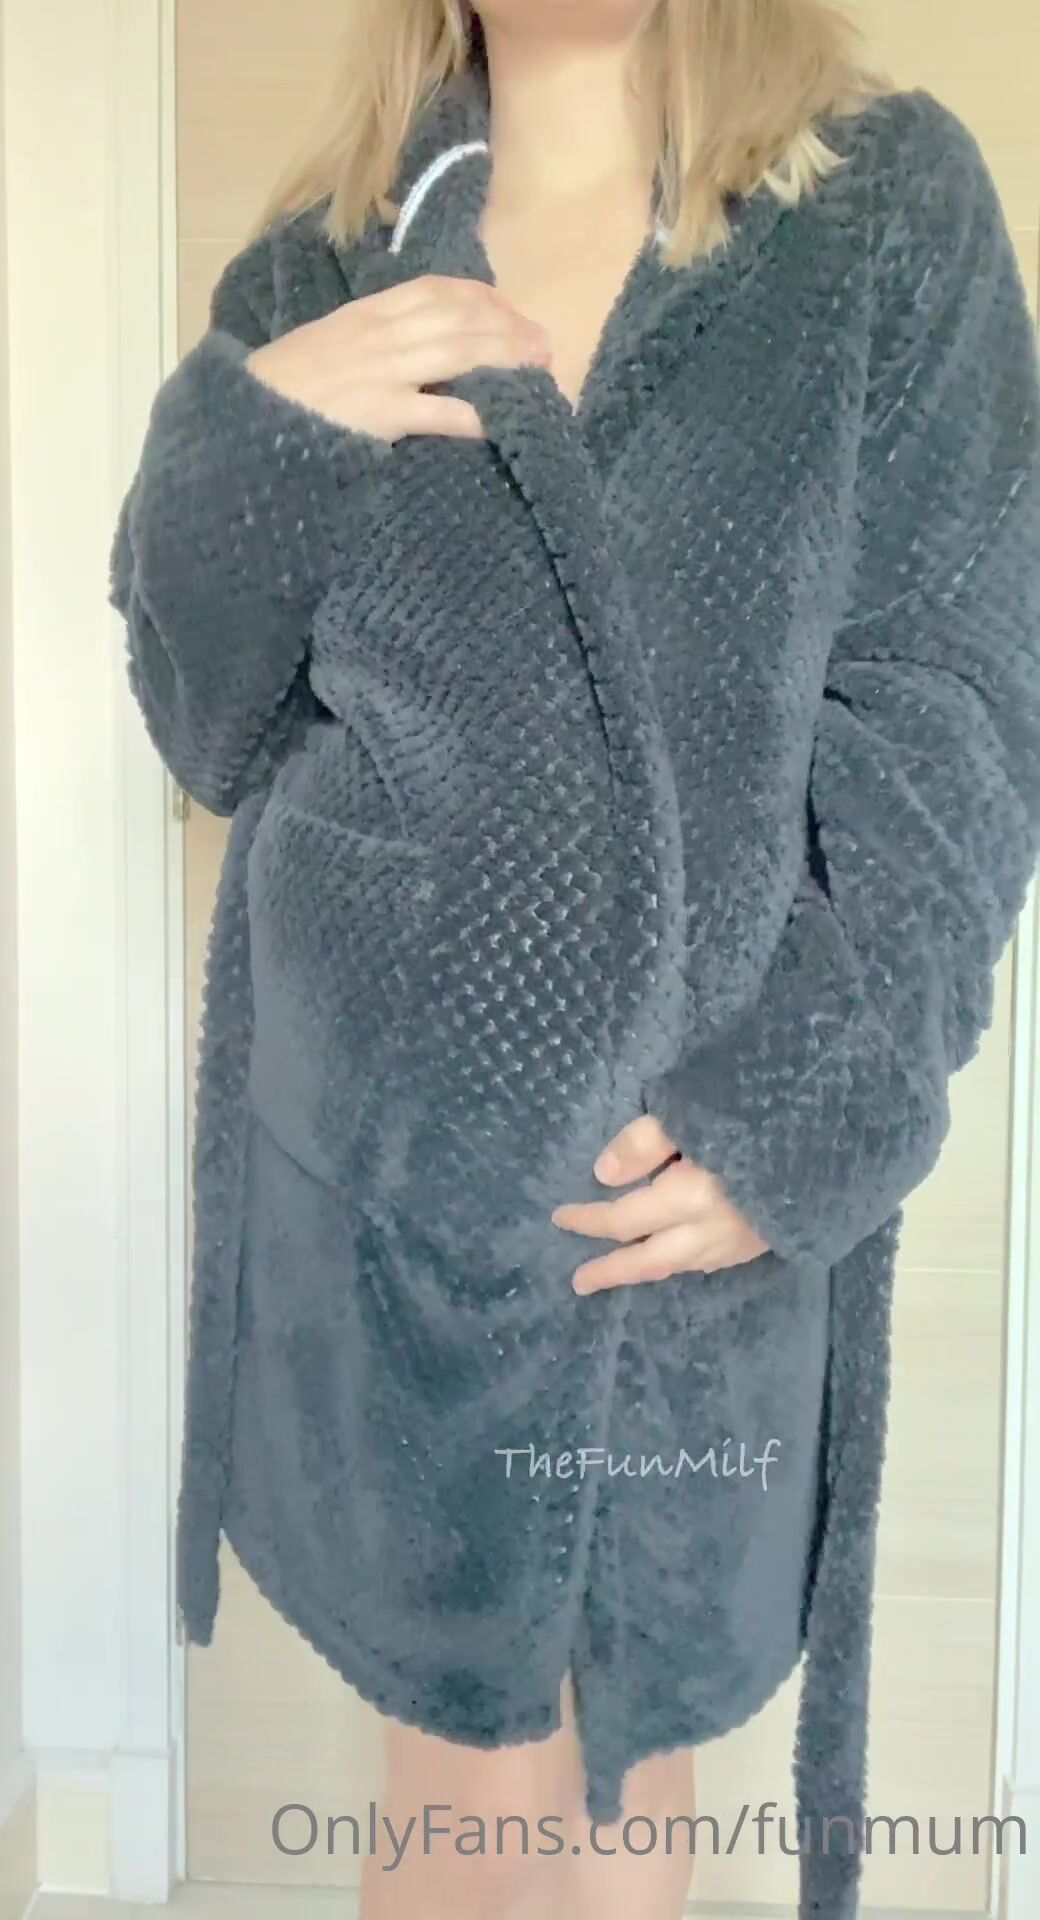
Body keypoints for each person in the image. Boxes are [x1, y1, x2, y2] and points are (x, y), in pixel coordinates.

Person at [108, 3, 1040, 1916]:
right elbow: (209, 725)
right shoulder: (322, 262)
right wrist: (251, 435)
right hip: (385, 1204)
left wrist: (812, 1102)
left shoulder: (879, 207)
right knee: (454, 1793)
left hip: (682, 1197)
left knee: (623, 1790)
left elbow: (954, 702)